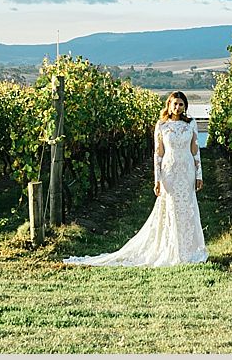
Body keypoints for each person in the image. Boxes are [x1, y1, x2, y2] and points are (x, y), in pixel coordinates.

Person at [64, 91, 208, 267]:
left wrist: (199, 174)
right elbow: (158, 154)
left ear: (185, 107)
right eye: (175, 104)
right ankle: (172, 249)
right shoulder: (162, 125)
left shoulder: (191, 124)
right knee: (171, 208)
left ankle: (189, 250)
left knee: (187, 206)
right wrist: (157, 179)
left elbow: (195, 150)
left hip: (186, 171)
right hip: (169, 171)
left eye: (181, 105)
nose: (178, 108)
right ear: (169, 105)